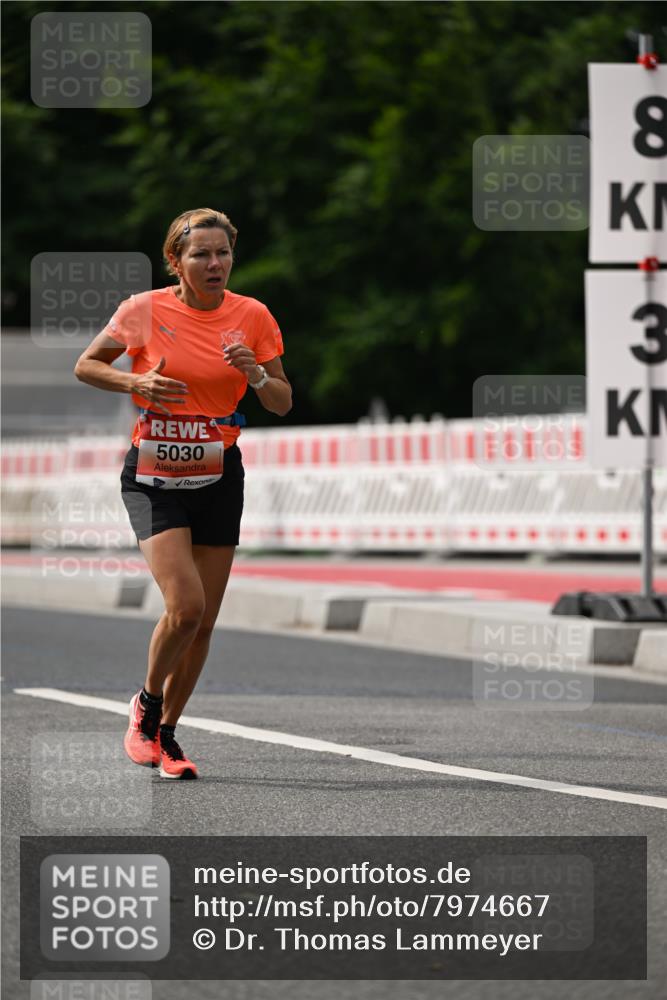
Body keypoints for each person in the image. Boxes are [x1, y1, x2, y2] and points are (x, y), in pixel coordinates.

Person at [74, 208, 291, 779]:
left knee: (205, 622)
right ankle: (146, 707)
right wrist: (134, 381)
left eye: (222, 253)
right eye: (201, 254)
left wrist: (259, 374)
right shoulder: (144, 310)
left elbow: (282, 401)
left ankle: (168, 736)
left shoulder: (253, 316)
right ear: (176, 262)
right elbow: (86, 365)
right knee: (186, 605)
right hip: (154, 477)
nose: (214, 264)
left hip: (220, 476)